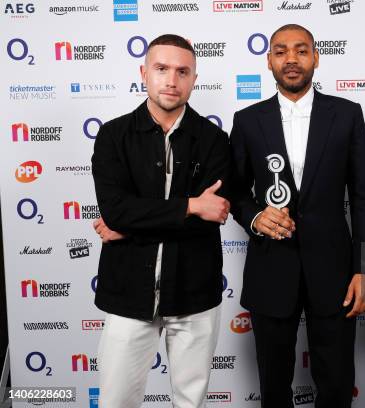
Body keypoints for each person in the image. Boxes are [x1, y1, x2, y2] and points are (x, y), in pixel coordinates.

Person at [230, 24, 365, 408]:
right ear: (269, 61)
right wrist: (254, 217)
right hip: (270, 268)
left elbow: (363, 197)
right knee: (273, 384)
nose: (291, 60)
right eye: (281, 52)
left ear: (316, 57)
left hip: (335, 271)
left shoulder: (346, 114)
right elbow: (233, 190)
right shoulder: (247, 120)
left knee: (336, 381)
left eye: (300, 50)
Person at [91, 34, 231, 408]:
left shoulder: (215, 140)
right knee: (116, 400)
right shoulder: (112, 135)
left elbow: (211, 216)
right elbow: (116, 210)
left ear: (194, 78)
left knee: (190, 402)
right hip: (127, 293)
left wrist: (132, 224)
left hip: (194, 292)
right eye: (162, 69)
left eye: (182, 71)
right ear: (144, 73)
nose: (172, 79)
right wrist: (189, 206)